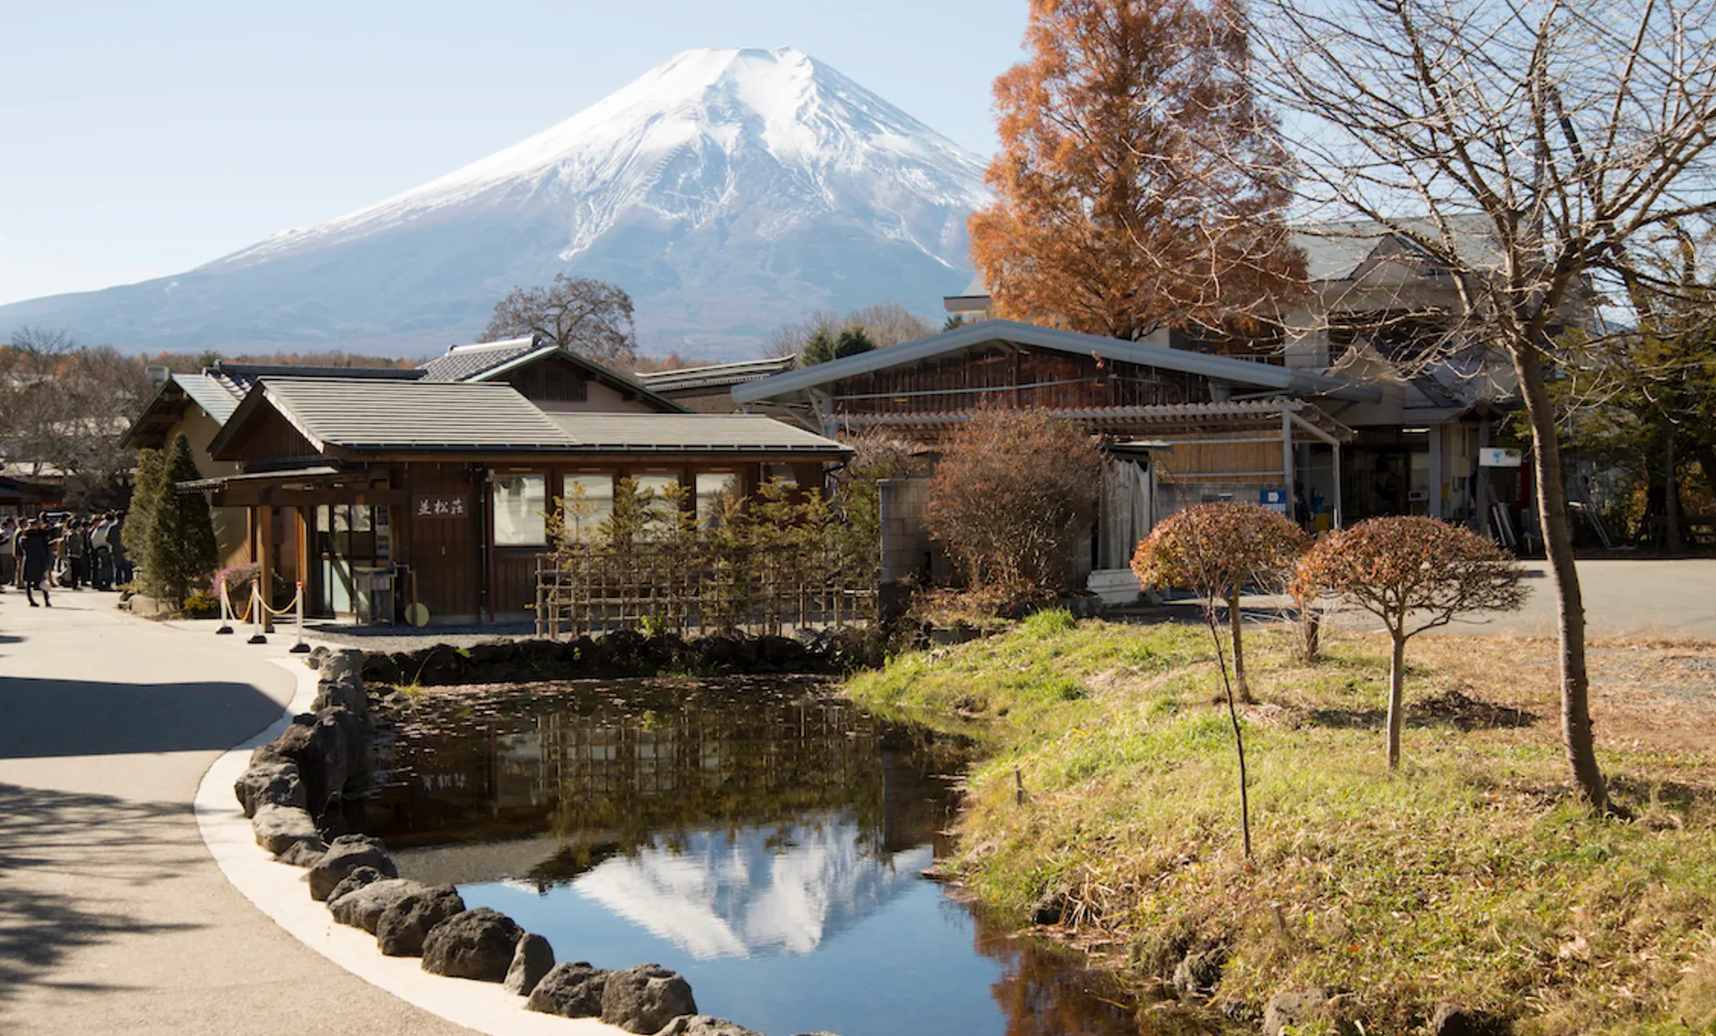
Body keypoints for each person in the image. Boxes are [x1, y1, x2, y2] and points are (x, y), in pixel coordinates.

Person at [19, 517, 53, 607]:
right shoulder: (42, 535)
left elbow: (23, 548)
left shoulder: (25, 536)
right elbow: (46, 548)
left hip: (30, 560)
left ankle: (31, 600)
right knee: (42, 581)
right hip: (39, 560)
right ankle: (46, 600)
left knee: (29, 582)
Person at [90, 514, 112, 591]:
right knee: (106, 567)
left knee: (100, 567)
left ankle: (99, 583)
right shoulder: (108, 525)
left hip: (97, 547)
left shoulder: (100, 526)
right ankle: (106, 583)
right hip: (104, 547)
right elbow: (108, 538)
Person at [0, 516, 14, 591]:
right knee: (4, 567)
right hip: (3, 552)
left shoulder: (12, 531)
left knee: (10, 567)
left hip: (10, 551)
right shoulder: (2, 531)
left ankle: (9, 580)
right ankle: (3, 581)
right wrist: (6, 539)